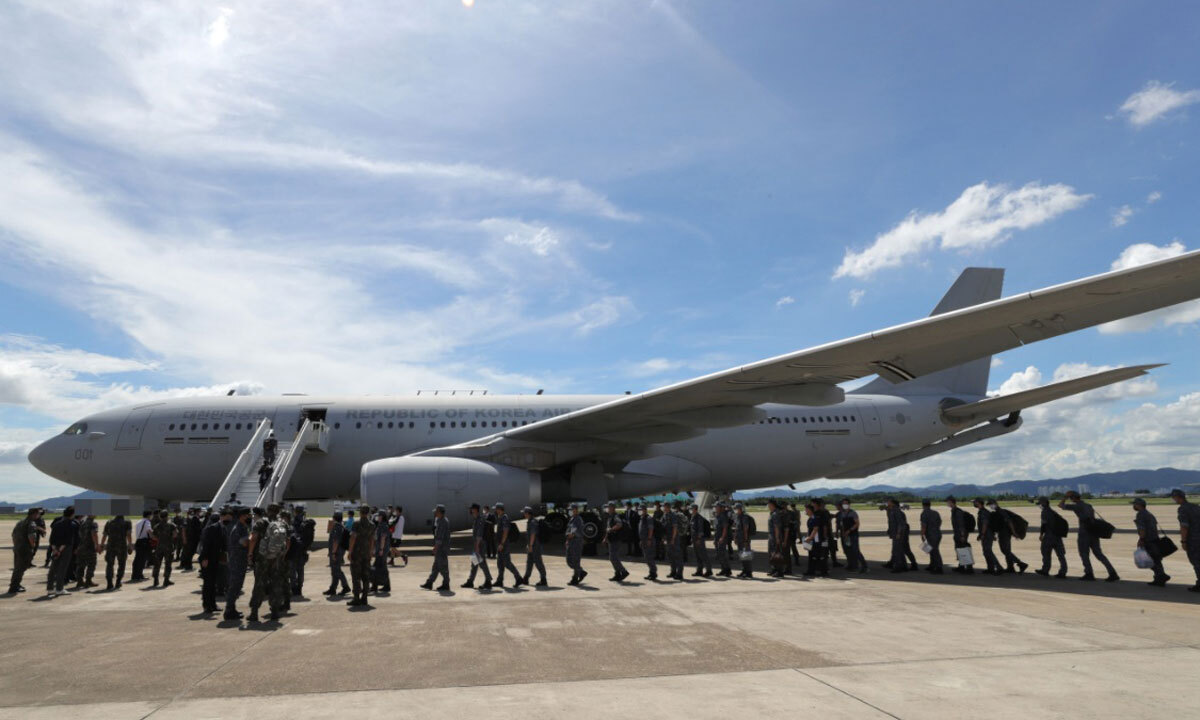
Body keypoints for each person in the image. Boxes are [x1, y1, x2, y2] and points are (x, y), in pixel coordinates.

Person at [1059, 491, 1119, 582]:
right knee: (1099, 554)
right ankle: (1112, 572)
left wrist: (1065, 497)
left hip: (1084, 533)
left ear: (1073, 498)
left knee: (1084, 554)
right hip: (1094, 532)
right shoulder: (1088, 505)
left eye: (1071, 498)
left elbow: (1061, 505)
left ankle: (1089, 573)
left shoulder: (1077, 506)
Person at [248, 504, 290, 622]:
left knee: (259, 584)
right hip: (276, 559)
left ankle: (254, 612)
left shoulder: (261, 522)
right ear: (278, 511)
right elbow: (287, 542)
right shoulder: (283, 524)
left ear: (267, 511)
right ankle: (275, 611)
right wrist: (282, 555)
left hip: (262, 558)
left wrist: (250, 554)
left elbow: (253, 538)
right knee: (276, 583)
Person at [1132, 498, 1169, 587]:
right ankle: (1159, 578)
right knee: (1156, 559)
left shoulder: (1140, 515)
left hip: (1148, 540)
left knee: (1149, 560)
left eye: (1135, 504)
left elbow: (1142, 529)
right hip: (1155, 539)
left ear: (1139, 505)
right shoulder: (1149, 514)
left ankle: (1161, 576)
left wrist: (1141, 539)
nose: (1133, 506)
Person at [199, 508, 228, 613]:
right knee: (208, 583)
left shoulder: (219, 527)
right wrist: (205, 558)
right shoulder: (211, 529)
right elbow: (206, 545)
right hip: (207, 559)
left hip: (214, 558)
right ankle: (207, 605)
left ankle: (212, 604)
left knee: (212, 583)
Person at [224, 507, 251, 621]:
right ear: (242, 516)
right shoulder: (238, 528)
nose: (249, 517)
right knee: (234, 586)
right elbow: (244, 543)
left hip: (240, 560)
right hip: (236, 561)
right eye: (247, 515)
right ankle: (229, 611)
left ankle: (232, 609)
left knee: (238, 586)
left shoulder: (244, 527)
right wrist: (252, 539)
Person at [46, 506, 78, 596]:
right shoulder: (72, 525)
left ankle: (50, 588)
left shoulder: (57, 524)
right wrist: (60, 550)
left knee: (53, 569)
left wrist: (55, 549)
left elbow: (52, 539)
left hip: (55, 548)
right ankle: (59, 589)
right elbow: (67, 540)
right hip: (65, 549)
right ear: (72, 514)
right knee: (62, 569)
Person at [1172, 489, 1200, 592]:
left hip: (1193, 540)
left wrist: (1183, 541)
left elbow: (1184, 527)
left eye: (1174, 497)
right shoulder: (1195, 506)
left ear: (1178, 497)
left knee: (1196, 562)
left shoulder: (1183, 509)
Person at [7, 507, 40, 595]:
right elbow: (31, 537)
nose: (39, 515)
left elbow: (13, 535)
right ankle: (14, 587)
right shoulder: (31, 523)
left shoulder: (20, 522)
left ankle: (15, 584)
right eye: (38, 513)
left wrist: (16, 545)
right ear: (34, 514)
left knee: (18, 567)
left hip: (17, 547)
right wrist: (32, 547)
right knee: (20, 568)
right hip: (25, 549)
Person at [346, 504, 374, 606]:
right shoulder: (371, 525)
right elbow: (371, 540)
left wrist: (350, 551)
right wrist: (371, 552)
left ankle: (356, 598)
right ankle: (365, 598)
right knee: (365, 576)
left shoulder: (356, 524)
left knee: (356, 576)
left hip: (357, 553)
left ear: (360, 512)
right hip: (366, 553)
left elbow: (353, 538)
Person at [1034, 497, 1068, 578]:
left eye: (1040, 504)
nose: (1040, 506)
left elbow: (1044, 525)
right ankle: (1063, 572)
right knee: (1061, 555)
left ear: (1044, 503)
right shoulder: (1053, 512)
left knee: (1046, 553)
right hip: (1058, 536)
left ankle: (1045, 570)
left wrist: (1041, 534)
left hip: (1049, 536)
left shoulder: (1044, 512)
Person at [462, 504, 494, 590]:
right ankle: (470, 581)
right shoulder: (476, 519)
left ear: (475, 509)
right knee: (474, 563)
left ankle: (488, 581)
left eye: (472, 509)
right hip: (477, 544)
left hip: (480, 544)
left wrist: (477, 546)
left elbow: (479, 534)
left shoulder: (480, 519)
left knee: (482, 563)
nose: (471, 510)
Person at [493, 502, 525, 587]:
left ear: (500, 509)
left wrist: (502, 544)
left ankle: (519, 578)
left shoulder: (504, 518)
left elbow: (506, 531)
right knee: (500, 563)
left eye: (496, 509)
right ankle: (500, 581)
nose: (495, 510)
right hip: (500, 543)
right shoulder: (500, 517)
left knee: (507, 563)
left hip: (504, 544)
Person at [992, 501, 1028, 573]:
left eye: (991, 504)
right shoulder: (1000, 511)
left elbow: (1009, 522)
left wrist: (1014, 532)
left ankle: (1020, 563)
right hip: (1005, 533)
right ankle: (1010, 567)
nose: (990, 506)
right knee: (1007, 550)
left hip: (1004, 534)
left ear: (996, 504)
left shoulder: (1001, 512)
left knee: (1005, 550)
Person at [421, 504, 451, 592]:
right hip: (440, 548)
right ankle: (429, 583)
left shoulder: (443, 522)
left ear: (440, 512)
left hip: (442, 548)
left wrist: (435, 548)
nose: (435, 513)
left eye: (436, 512)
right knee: (436, 567)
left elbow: (440, 538)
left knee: (443, 567)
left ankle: (446, 584)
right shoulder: (440, 520)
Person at [324, 510, 351, 597]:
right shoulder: (341, 526)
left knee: (336, 570)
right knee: (334, 570)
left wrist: (333, 552)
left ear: (334, 518)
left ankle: (345, 586)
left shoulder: (337, 527)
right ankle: (333, 588)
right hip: (338, 551)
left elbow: (335, 541)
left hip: (336, 551)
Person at [973, 498, 1002, 575]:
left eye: (975, 502)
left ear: (979, 503)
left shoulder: (983, 512)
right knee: (986, 552)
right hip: (987, 534)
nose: (974, 504)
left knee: (988, 551)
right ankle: (990, 568)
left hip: (987, 535)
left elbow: (985, 524)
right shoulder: (983, 512)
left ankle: (999, 567)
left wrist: (982, 534)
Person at [838, 499, 867, 573]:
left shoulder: (853, 513)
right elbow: (842, 524)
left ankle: (864, 566)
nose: (844, 505)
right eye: (843, 504)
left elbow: (857, 524)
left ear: (849, 504)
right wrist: (843, 532)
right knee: (848, 551)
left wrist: (849, 530)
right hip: (846, 535)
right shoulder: (842, 513)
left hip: (853, 534)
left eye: (846, 503)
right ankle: (852, 565)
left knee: (856, 551)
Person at [151, 509, 178, 587]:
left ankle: (155, 580)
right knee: (168, 564)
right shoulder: (172, 525)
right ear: (167, 516)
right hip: (168, 547)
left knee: (157, 564)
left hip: (159, 547)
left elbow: (153, 536)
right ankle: (166, 580)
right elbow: (175, 534)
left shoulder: (157, 526)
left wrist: (160, 539)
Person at [72, 514, 100, 590]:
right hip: (89, 547)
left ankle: (80, 581)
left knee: (81, 565)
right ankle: (88, 581)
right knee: (91, 564)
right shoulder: (93, 523)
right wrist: (97, 545)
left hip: (81, 546)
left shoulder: (82, 523)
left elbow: (79, 535)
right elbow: (94, 534)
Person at [522, 506, 548, 586]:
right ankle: (526, 578)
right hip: (532, 545)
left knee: (538, 562)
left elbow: (533, 534)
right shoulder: (530, 521)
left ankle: (543, 579)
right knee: (529, 562)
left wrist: (530, 545)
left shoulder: (533, 522)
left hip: (535, 546)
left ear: (528, 513)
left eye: (524, 513)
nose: (524, 514)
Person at [948, 497, 974, 574]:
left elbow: (961, 524)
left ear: (952, 502)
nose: (947, 503)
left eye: (948, 502)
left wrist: (962, 536)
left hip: (961, 534)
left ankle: (969, 568)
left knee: (964, 550)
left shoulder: (958, 512)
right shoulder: (954, 511)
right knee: (960, 550)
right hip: (958, 534)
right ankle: (961, 566)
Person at [885, 498, 911, 573]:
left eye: (889, 501)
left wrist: (899, 533)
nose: (887, 502)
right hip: (895, 533)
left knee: (897, 551)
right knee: (899, 550)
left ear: (893, 503)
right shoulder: (892, 510)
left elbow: (900, 523)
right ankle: (904, 566)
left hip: (897, 534)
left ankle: (898, 567)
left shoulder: (896, 511)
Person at [803, 503, 828, 577]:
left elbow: (815, 529)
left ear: (810, 510)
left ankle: (823, 571)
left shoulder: (815, 518)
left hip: (816, 541)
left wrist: (810, 538)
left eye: (806, 509)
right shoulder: (810, 519)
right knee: (812, 556)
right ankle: (811, 570)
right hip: (812, 541)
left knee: (818, 556)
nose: (805, 511)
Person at [369, 510, 391, 594]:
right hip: (380, 550)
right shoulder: (380, 525)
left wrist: (381, 549)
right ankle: (375, 586)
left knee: (382, 568)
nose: (377, 517)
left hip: (382, 551)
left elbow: (383, 538)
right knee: (377, 568)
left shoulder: (383, 525)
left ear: (382, 516)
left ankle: (386, 586)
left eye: (378, 516)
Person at [565, 504, 587, 586]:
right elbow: (568, 530)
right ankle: (581, 572)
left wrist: (571, 535)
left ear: (575, 510)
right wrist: (567, 539)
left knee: (575, 561)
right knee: (569, 561)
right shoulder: (572, 519)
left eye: (571, 509)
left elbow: (575, 532)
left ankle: (575, 579)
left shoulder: (578, 519)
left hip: (576, 543)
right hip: (571, 542)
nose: (569, 511)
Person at [919, 499, 943, 574]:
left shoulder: (924, 513)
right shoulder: (935, 512)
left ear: (923, 505)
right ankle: (932, 565)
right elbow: (940, 522)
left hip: (930, 535)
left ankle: (939, 567)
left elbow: (924, 526)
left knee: (934, 551)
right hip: (937, 533)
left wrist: (922, 534)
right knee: (932, 550)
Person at [131, 510, 152, 581]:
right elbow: (149, 531)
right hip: (144, 542)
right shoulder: (147, 522)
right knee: (142, 559)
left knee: (137, 559)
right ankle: (138, 576)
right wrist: (154, 537)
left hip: (138, 541)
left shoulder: (139, 522)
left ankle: (137, 575)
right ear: (149, 515)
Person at [734, 502, 754, 578]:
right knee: (741, 555)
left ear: (741, 509)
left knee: (746, 556)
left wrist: (746, 540)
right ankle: (744, 570)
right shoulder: (737, 517)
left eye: (737, 509)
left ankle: (749, 572)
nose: (736, 510)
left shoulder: (744, 517)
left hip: (744, 540)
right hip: (739, 539)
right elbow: (736, 528)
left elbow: (746, 529)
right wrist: (735, 537)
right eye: (735, 509)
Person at [712, 502, 732, 577]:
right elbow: (716, 529)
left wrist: (722, 538)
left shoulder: (723, 516)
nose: (715, 508)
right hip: (717, 537)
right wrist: (715, 539)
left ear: (721, 508)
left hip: (722, 538)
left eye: (717, 507)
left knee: (723, 554)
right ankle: (723, 569)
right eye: (715, 507)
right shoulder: (717, 516)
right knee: (719, 555)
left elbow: (725, 528)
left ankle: (728, 570)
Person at [639, 504, 658, 580]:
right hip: (644, 540)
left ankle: (654, 573)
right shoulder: (642, 518)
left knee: (649, 557)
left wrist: (649, 539)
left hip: (648, 540)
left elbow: (651, 529)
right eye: (639, 510)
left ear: (645, 510)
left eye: (641, 510)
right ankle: (651, 573)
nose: (640, 511)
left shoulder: (648, 518)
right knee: (647, 558)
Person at [786, 502, 801, 575]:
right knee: (790, 548)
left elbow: (795, 522)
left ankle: (796, 560)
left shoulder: (791, 513)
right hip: (790, 532)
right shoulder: (787, 513)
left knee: (792, 547)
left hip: (791, 533)